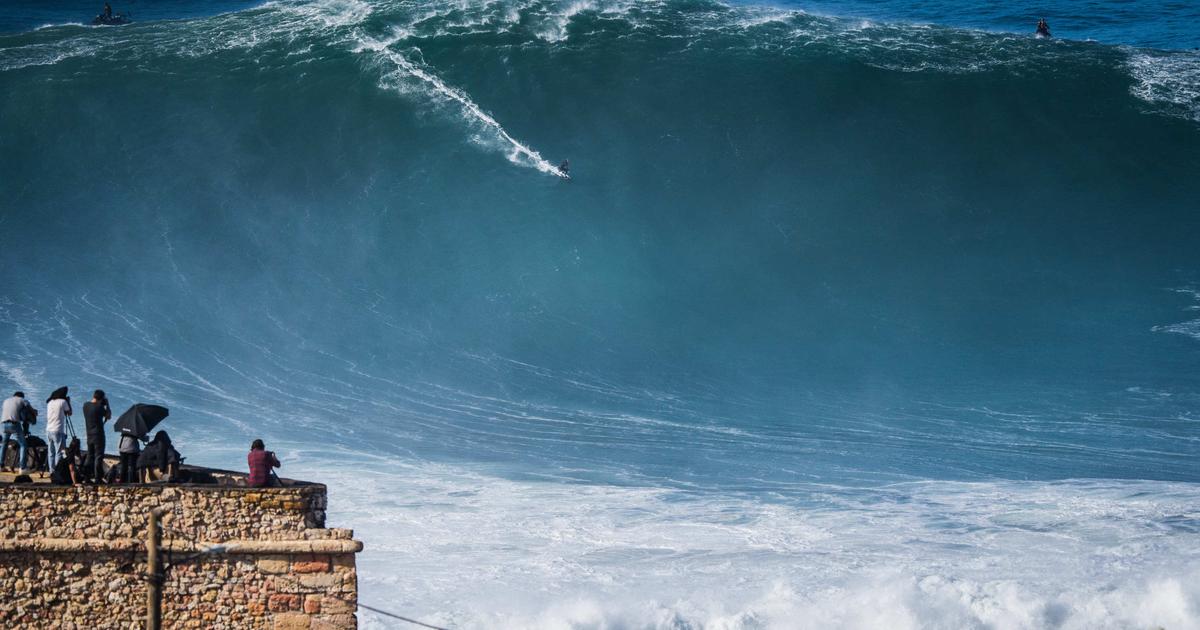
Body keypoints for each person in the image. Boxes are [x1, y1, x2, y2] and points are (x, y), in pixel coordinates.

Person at [83, 390, 112, 483]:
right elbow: (109, 416)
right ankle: (97, 478)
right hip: (98, 435)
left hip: (89, 434)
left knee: (89, 455)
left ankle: (86, 477)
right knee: (98, 457)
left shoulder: (85, 405)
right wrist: (107, 404)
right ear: (101, 398)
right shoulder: (99, 407)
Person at [1, 392, 34, 473]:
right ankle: (22, 468)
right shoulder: (22, 400)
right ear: (21, 396)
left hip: (4, 424)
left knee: (4, 445)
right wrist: (34, 413)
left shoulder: (6, 400)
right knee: (23, 444)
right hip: (14, 424)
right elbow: (30, 409)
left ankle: (1, 466)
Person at [45, 387, 72, 472]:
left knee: (51, 452)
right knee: (59, 452)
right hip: (58, 430)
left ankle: (52, 471)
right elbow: (69, 413)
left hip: (48, 430)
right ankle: (58, 471)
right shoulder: (63, 402)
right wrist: (68, 402)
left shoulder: (50, 402)